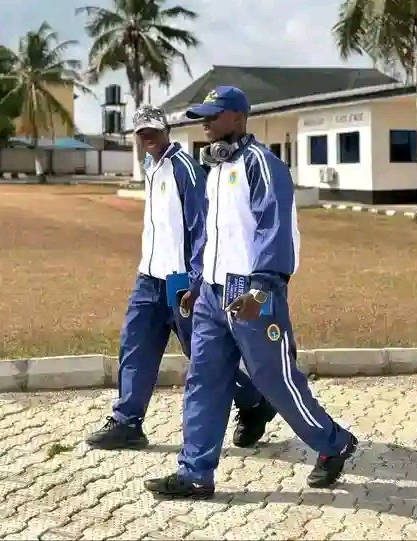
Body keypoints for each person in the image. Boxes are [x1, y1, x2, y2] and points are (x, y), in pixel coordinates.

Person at [144, 87, 357, 499]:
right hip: (212, 294)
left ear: (239, 117)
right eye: (203, 117)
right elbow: (208, 235)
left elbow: (275, 230)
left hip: (252, 294)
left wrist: (261, 289)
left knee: (273, 380)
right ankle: (195, 474)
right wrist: (196, 282)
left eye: (213, 115)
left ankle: (334, 443)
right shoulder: (215, 168)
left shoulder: (262, 164)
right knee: (203, 380)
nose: (206, 123)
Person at [86, 104, 277, 450]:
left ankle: (253, 402)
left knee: (202, 355)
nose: (148, 137)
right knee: (134, 345)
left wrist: (196, 280)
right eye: (142, 132)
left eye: (153, 130)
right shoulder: (151, 167)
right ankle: (128, 422)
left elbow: (202, 227)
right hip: (149, 278)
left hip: (180, 282)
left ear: (166, 131)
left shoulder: (184, 168)